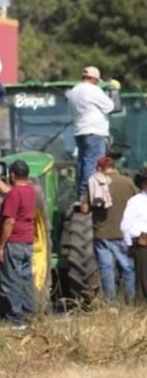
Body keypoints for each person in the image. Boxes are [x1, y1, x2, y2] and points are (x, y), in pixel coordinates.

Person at [81, 156, 137, 305]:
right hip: (123, 234)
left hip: (102, 234)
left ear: (100, 169)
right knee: (128, 268)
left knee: (107, 269)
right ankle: (130, 301)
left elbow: (84, 209)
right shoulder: (128, 182)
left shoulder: (94, 182)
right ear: (114, 166)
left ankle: (111, 304)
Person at [0, 160, 36, 325]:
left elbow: (9, 222)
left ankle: (16, 318)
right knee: (26, 278)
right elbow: (12, 192)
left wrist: (1, 246)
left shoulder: (14, 195)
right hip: (28, 242)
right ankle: (30, 314)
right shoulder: (29, 190)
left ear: (12, 175)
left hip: (14, 242)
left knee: (11, 281)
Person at [66, 66, 114, 199]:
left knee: (82, 162)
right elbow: (109, 106)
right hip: (94, 131)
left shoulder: (73, 91)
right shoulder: (93, 89)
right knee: (93, 163)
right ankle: (89, 193)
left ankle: (81, 192)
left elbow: (70, 112)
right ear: (94, 79)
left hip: (79, 131)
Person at [120, 170, 147, 301]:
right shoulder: (135, 201)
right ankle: (141, 308)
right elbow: (125, 226)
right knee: (144, 279)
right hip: (142, 243)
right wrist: (129, 245)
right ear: (143, 184)